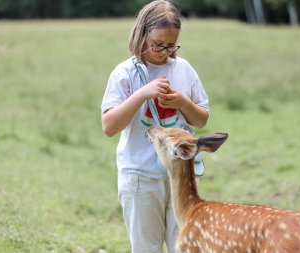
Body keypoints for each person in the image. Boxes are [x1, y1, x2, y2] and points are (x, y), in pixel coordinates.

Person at [101, 1, 209, 252]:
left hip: (181, 177)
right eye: (158, 44)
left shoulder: (184, 69)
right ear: (142, 34)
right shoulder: (124, 73)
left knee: (182, 246)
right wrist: (141, 94)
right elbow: (109, 126)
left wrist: (182, 101)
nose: (164, 51)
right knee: (146, 248)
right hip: (140, 177)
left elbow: (201, 119)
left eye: (171, 44)